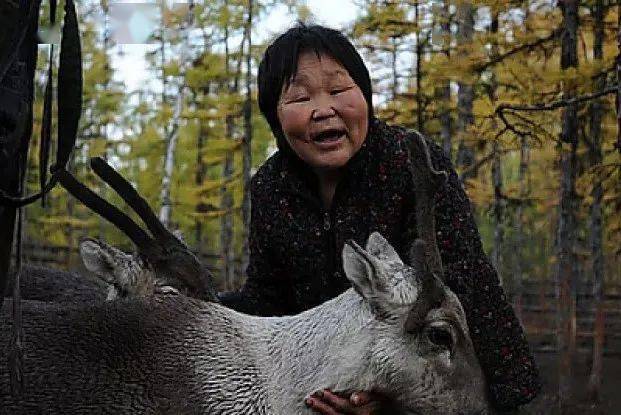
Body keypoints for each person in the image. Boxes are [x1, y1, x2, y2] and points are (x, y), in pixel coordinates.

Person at [219, 23, 540, 414]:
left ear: (365, 97)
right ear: (275, 118)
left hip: (438, 380)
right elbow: (267, 302)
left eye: (338, 91)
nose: (323, 110)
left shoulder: (410, 164)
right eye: (300, 98)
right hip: (319, 389)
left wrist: (397, 397)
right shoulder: (270, 188)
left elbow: (461, 283)